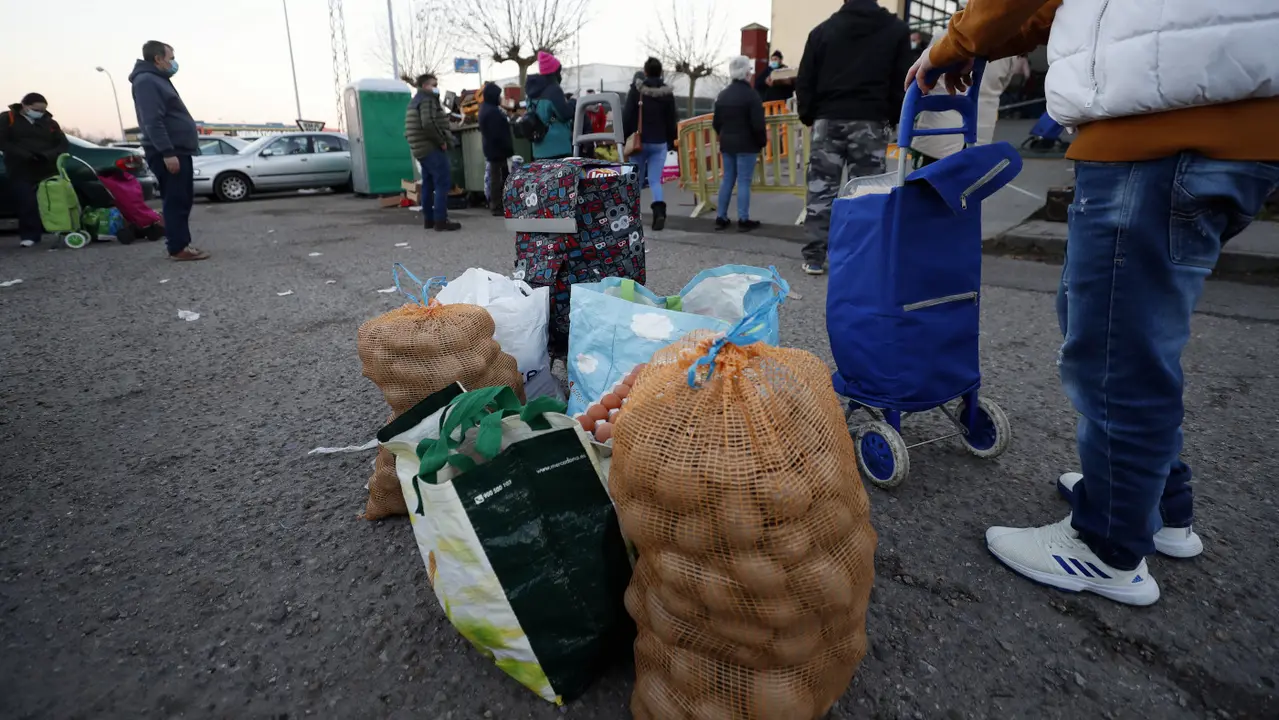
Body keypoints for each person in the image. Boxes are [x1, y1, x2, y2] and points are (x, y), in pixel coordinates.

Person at [908, 0, 1279, 606]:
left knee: (1113, 346)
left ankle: (1108, 545)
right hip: (1229, 121)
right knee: (1138, 333)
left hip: (1159, 124)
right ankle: (1157, 504)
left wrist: (952, 44)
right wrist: (984, 44)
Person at [796, 0, 914, 276]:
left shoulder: (822, 32)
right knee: (869, 190)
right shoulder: (896, 30)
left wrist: (809, 114)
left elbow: (805, 79)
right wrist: (893, 116)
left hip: (828, 119)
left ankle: (815, 255)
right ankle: (865, 255)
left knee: (821, 188)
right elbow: (901, 81)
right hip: (871, 120)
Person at [910, 7, 1025, 164]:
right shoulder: (1005, 50)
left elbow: (925, 77)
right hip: (980, 125)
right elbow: (1003, 84)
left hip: (941, 126)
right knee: (970, 181)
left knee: (932, 179)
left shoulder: (943, 37)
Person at [130, 40, 207, 261]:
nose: (173, 63)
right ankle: (178, 247)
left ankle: (182, 243)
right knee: (176, 199)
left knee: (182, 199)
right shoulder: (146, 81)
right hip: (169, 151)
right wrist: (167, 152)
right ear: (158, 59)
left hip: (177, 149)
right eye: (171, 58)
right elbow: (153, 121)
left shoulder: (157, 80)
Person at [0, 93, 68, 248]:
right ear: (24, 106)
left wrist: (47, 155)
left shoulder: (50, 123)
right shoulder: (7, 119)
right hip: (19, 168)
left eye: (43, 110)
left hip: (46, 167)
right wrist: (25, 155)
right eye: (36, 109)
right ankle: (30, 235)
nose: (39, 112)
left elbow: (62, 144)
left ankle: (59, 230)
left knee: (52, 200)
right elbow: (2, 141)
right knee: (26, 202)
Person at [712, 56, 767, 232]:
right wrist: (761, 142)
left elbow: (716, 122)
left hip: (727, 143)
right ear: (746, 73)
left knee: (727, 179)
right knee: (743, 181)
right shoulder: (751, 95)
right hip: (747, 144)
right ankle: (743, 219)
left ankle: (721, 217)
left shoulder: (723, 94)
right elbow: (758, 124)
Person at [624, 57, 678, 231]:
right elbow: (672, 120)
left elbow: (628, 116)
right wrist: (671, 141)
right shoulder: (667, 94)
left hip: (639, 141)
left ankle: (632, 218)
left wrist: (626, 137)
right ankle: (659, 213)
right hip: (659, 142)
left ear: (645, 72)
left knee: (636, 182)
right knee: (655, 180)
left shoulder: (637, 91)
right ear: (660, 72)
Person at [405, 73, 460, 232]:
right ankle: (441, 220)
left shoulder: (415, 101)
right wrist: (441, 141)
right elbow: (428, 123)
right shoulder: (427, 99)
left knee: (428, 183)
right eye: (433, 84)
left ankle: (429, 219)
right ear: (424, 86)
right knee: (443, 182)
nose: (436, 88)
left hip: (420, 147)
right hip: (430, 146)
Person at [524, 51, 573, 160]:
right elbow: (565, 114)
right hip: (558, 149)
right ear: (554, 72)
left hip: (538, 151)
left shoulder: (531, 93)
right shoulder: (553, 90)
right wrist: (573, 102)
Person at [479, 83, 514, 217]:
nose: (500, 98)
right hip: (498, 149)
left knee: (497, 176)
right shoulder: (492, 111)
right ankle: (497, 205)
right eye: (498, 95)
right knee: (498, 177)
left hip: (492, 148)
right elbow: (498, 133)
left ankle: (498, 204)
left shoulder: (486, 109)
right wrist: (508, 148)